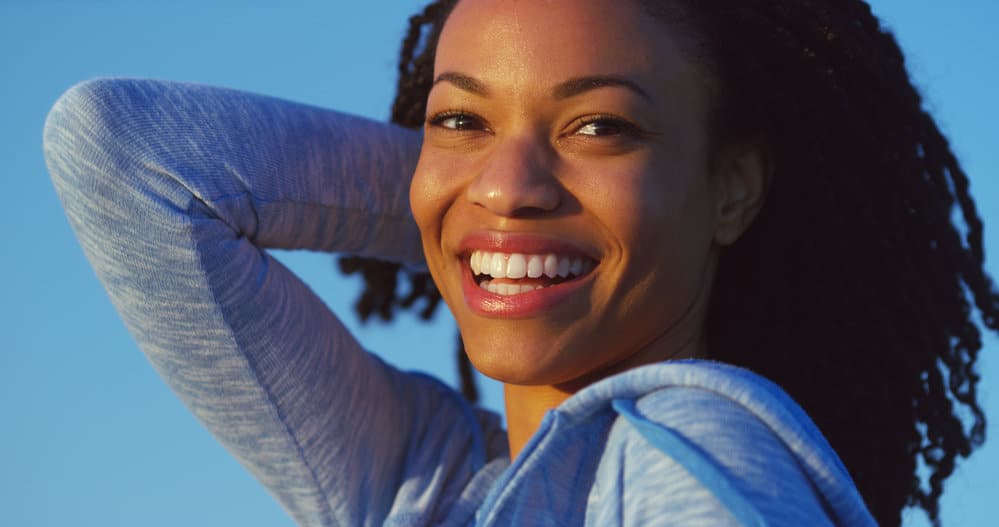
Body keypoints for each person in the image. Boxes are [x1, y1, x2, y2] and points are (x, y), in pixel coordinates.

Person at [43, 0, 994, 526]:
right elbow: (124, 154)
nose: (509, 180)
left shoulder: (691, 445)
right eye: (459, 118)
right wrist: (455, 209)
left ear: (733, 187)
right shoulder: (429, 480)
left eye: (601, 126)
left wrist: (492, 212)